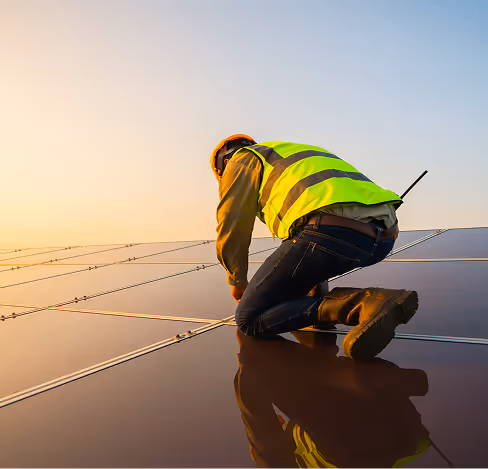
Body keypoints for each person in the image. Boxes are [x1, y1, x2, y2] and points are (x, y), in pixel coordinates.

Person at [211, 134, 419, 360]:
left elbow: (232, 222)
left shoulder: (241, 159)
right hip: (382, 240)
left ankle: (364, 303)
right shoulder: (295, 154)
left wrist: (237, 280)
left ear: (223, 164)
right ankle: (326, 318)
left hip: (329, 231)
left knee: (249, 319)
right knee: (304, 253)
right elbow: (308, 260)